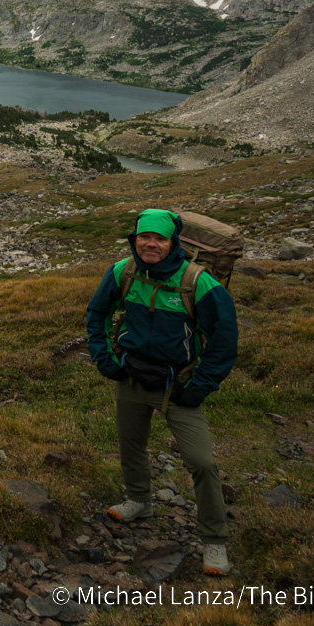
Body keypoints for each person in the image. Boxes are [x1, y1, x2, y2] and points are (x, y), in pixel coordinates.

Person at [85, 208, 239, 576]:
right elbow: (97, 314)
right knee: (130, 444)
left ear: (173, 243)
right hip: (132, 377)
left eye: (159, 239)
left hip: (179, 385)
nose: (150, 244)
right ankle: (139, 500)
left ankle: (214, 541)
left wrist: (199, 386)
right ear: (134, 239)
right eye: (144, 237)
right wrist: (106, 360)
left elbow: (225, 341)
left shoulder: (199, 283)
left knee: (201, 462)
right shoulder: (123, 272)